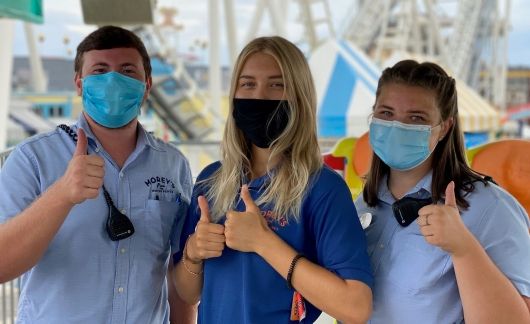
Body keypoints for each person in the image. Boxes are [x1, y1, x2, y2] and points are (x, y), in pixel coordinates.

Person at [0, 26, 196, 323]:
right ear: (79, 83)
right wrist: (62, 195)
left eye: (128, 71)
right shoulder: (32, 158)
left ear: (147, 85)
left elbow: (176, 273)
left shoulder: (173, 165)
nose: (113, 81)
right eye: (100, 70)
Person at [172, 36, 373, 324]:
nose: (259, 96)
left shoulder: (322, 188)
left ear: (299, 97)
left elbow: (355, 307)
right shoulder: (211, 181)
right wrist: (193, 253)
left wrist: (264, 243)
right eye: (248, 84)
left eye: (277, 85)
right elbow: (188, 293)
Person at [355, 59, 530, 323]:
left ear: (444, 127)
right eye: (386, 114)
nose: (397, 126)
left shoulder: (489, 207)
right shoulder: (364, 203)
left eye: (416, 117)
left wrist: (463, 249)